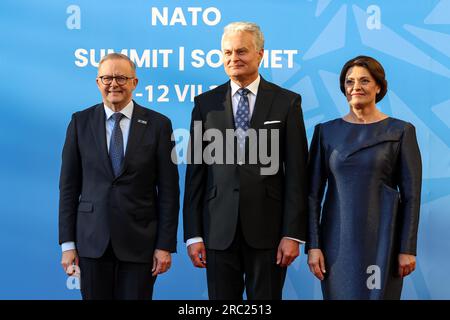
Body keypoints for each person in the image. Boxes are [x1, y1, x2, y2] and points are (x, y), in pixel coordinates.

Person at [183, 22, 308, 300]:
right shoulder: (205, 104)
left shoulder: (287, 102)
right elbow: (195, 175)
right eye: (226, 53)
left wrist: (292, 234)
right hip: (217, 231)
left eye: (241, 51)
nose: (233, 59)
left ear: (260, 54)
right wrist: (193, 234)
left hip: (269, 231)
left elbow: (298, 174)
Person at [59, 53, 179, 300]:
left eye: (121, 78)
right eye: (107, 78)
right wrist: (67, 244)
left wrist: (165, 245)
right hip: (91, 244)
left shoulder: (159, 125)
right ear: (97, 82)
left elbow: (169, 191)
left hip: (140, 244)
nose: (113, 84)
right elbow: (69, 188)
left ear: (134, 82)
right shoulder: (79, 122)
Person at [307, 55, 422, 299]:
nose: (356, 87)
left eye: (364, 81)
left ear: (379, 86)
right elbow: (311, 195)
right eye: (350, 82)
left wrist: (407, 248)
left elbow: (411, 196)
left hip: (383, 242)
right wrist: (314, 246)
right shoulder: (325, 132)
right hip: (336, 245)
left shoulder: (401, 131)